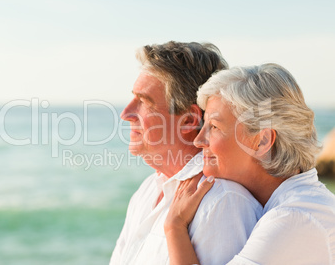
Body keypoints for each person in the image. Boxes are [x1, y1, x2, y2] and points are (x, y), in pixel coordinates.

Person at [110, 41, 263, 265]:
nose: (126, 114)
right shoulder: (147, 192)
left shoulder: (224, 203)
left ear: (189, 120)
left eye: (143, 101)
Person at [166, 63, 335, 264]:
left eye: (214, 126)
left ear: (262, 141)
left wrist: (175, 227)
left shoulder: (294, 218)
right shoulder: (296, 205)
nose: (199, 140)